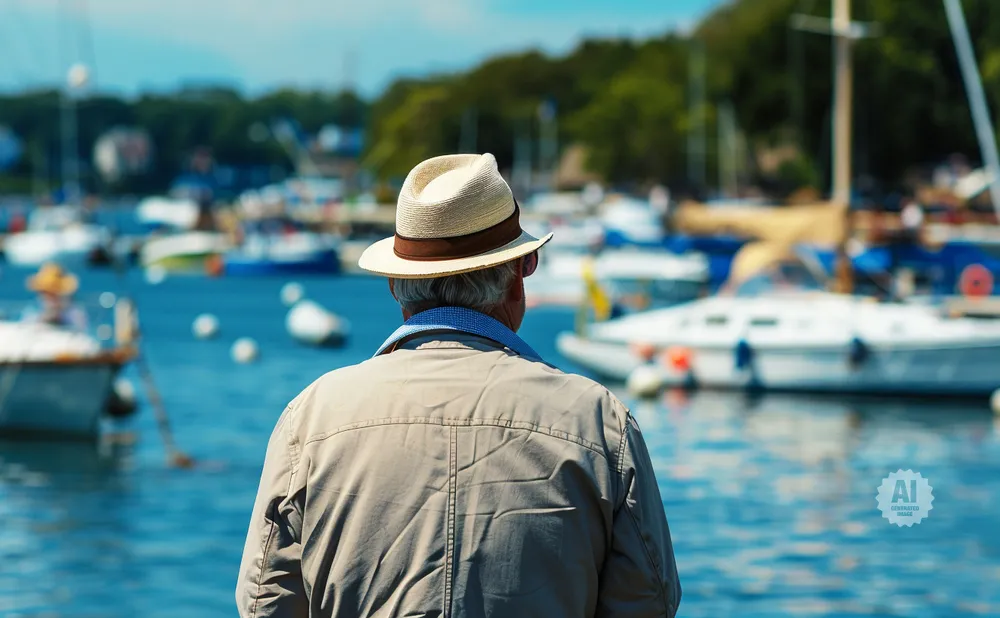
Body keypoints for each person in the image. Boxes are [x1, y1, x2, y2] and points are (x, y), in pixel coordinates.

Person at [237, 153, 681, 618]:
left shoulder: (312, 418)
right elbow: (647, 599)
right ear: (517, 274)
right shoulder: (598, 422)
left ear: (396, 284)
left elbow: (265, 600)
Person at [21, 263, 88, 332]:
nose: (49, 298)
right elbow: (25, 330)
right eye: (45, 292)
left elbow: (80, 332)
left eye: (53, 293)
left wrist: (60, 320)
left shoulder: (74, 313)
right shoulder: (33, 310)